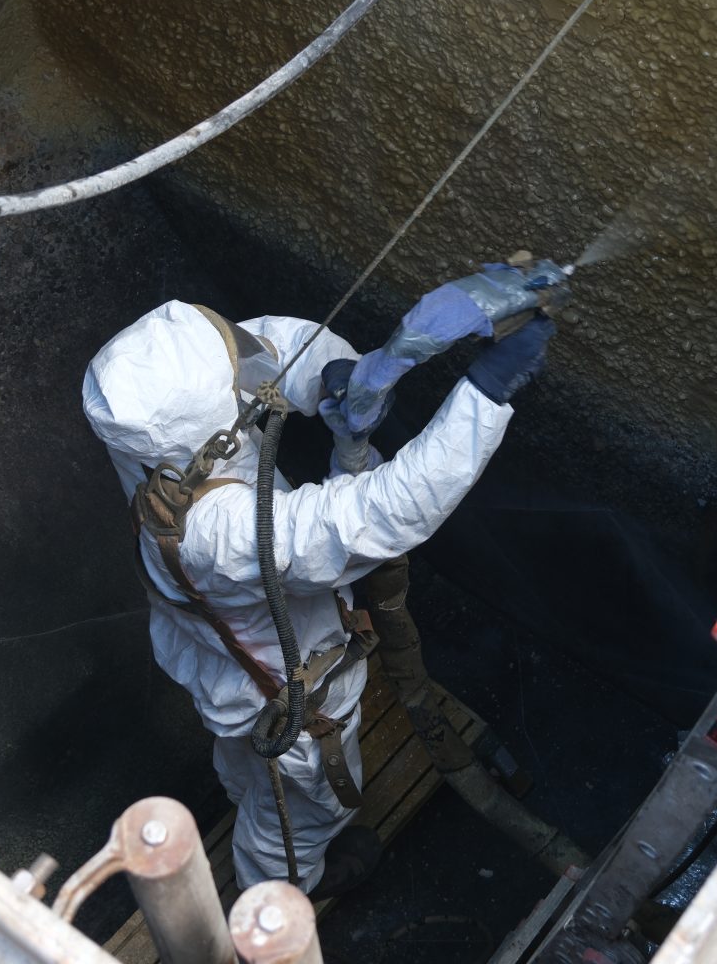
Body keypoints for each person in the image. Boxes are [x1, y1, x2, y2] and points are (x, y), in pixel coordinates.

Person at [81, 293, 554, 897]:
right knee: (308, 812)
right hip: (288, 696)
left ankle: (252, 796)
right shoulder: (220, 535)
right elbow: (377, 513)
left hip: (219, 661)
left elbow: (263, 345)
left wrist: (331, 370)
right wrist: (485, 394)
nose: (242, 373)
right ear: (206, 418)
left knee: (247, 765)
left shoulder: (150, 434)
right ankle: (280, 893)